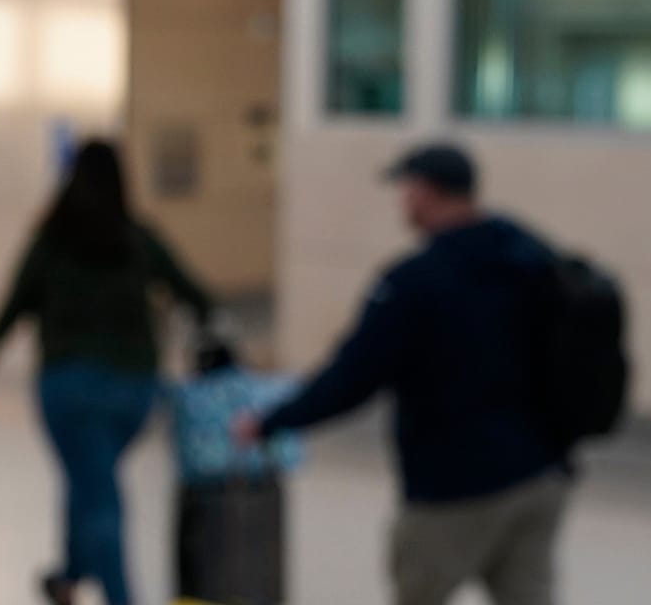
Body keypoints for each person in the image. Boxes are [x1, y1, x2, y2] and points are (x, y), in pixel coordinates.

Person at [234, 143, 570, 605]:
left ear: (424, 192)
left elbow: (352, 376)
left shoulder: (416, 281)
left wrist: (271, 421)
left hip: (455, 486)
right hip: (542, 473)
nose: (403, 201)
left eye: (407, 189)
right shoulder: (530, 256)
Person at [0, 140, 211, 605]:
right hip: (135, 390)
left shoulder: (51, 240)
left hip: (68, 390)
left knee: (98, 495)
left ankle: (117, 594)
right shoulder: (138, 238)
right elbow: (195, 293)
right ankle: (69, 574)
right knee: (89, 474)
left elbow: (18, 297)